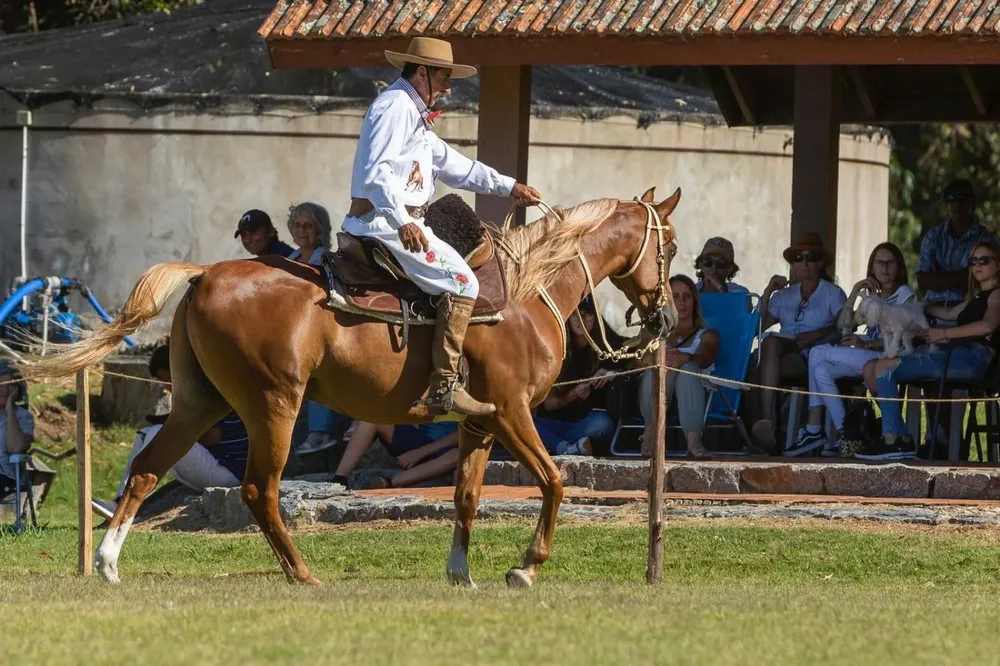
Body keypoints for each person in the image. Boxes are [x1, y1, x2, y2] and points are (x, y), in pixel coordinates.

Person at [344, 37, 541, 416]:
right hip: (382, 222)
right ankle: (445, 386)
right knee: (464, 282)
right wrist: (403, 221)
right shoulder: (395, 106)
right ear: (422, 73)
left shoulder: (415, 116)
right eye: (444, 77)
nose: (449, 87)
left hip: (398, 220)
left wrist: (509, 187)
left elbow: (457, 166)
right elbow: (376, 174)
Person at [862, 240, 1000, 461]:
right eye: (973, 261)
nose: (978, 265)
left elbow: (987, 326)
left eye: (984, 260)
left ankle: (894, 439)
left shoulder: (996, 295)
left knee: (886, 366)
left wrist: (943, 334)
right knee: (881, 366)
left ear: (998, 264)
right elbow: (949, 314)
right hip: (958, 356)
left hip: (976, 358)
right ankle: (900, 438)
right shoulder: (975, 298)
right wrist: (917, 308)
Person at [91, 344, 250, 520]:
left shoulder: (210, 390)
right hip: (217, 466)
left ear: (175, 371)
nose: (166, 388)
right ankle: (120, 502)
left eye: (165, 379)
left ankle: (126, 506)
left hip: (229, 473)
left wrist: (176, 430)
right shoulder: (201, 388)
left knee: (157, 434)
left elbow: (213, 437)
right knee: (146, 433)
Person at [787, 242, 915, 457]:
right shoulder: (871, 298)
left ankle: (815, 428)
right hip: (868, 355)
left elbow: (903, 338)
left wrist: (866, 344)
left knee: (817, 353)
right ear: (871, 268)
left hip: (888, 355)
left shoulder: (904, 294)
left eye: (889, 263)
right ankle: (846, 435)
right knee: (821, 370)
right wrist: (855, 291)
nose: (884, 268)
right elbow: (844, 325)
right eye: (879, 263)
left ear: (899, 268)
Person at [751, 233, 847, 450]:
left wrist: (817, 334)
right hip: (781, 352)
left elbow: (846, 325)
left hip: (812, 355)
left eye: (811, 257)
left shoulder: (832, 293)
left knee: (766, 354)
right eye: (798, 257)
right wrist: (767, 293)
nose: (803, 263)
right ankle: (761, 434)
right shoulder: (783, 296)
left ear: (821, 263)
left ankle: (768, 423)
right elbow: (756, 328)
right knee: (753, 366)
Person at [638, 275, 719, 459]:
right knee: (658, 367)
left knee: (688, 368)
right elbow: (638, 359)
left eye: (687, 296)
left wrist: (684, 357)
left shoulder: (707, 335)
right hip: (655, 395)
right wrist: (659, 359)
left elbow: (705, 358)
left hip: (693, 397)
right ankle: (651, 430)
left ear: (694, 301)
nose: (681, 303)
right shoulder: (652, 333)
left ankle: (693, 439)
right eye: (675, 296)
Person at [533, 296, 617, 456]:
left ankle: (558, 446)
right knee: (526, 425)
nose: (581, 320)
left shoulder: (607, 346)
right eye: (575, 315)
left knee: (602, 423)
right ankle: (570, 448)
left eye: (587, 314)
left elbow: (633, 363)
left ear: (596, 318)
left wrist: (610, 373)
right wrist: (572, 395)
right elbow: (550, 404)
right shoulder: (556, 349)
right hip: (555, 421)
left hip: (587, 421)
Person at [917, 178, 997, 312]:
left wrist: (939, 277)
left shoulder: (986, 239)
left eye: (963, 197)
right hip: (933, 310)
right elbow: (923, 281)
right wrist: (964, 275)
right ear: (945, 204)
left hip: (972, 312)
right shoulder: (933, 237)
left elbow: (990, 283)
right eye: (951, 198)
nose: (957, 203)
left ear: (973, 201)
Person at [330, 420, 459, 489]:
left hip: (445, 450)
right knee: (373, 419)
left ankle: (389, 482)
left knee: (459, 455)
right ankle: (340, 479)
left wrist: (421, 452)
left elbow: (465, 434)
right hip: (419, 437)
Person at [0, 362, 34, 496]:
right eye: (1, 385)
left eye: (10, 386)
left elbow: (16, 448)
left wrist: (10, 411)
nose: (5, 391)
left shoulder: (23, 416)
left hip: (4, 476)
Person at [287, 202, 332, 267]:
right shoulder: (291, 258)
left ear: (320, 229)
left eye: (308, 225)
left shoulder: (326, 263)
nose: (301, 229)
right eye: (297, 224)